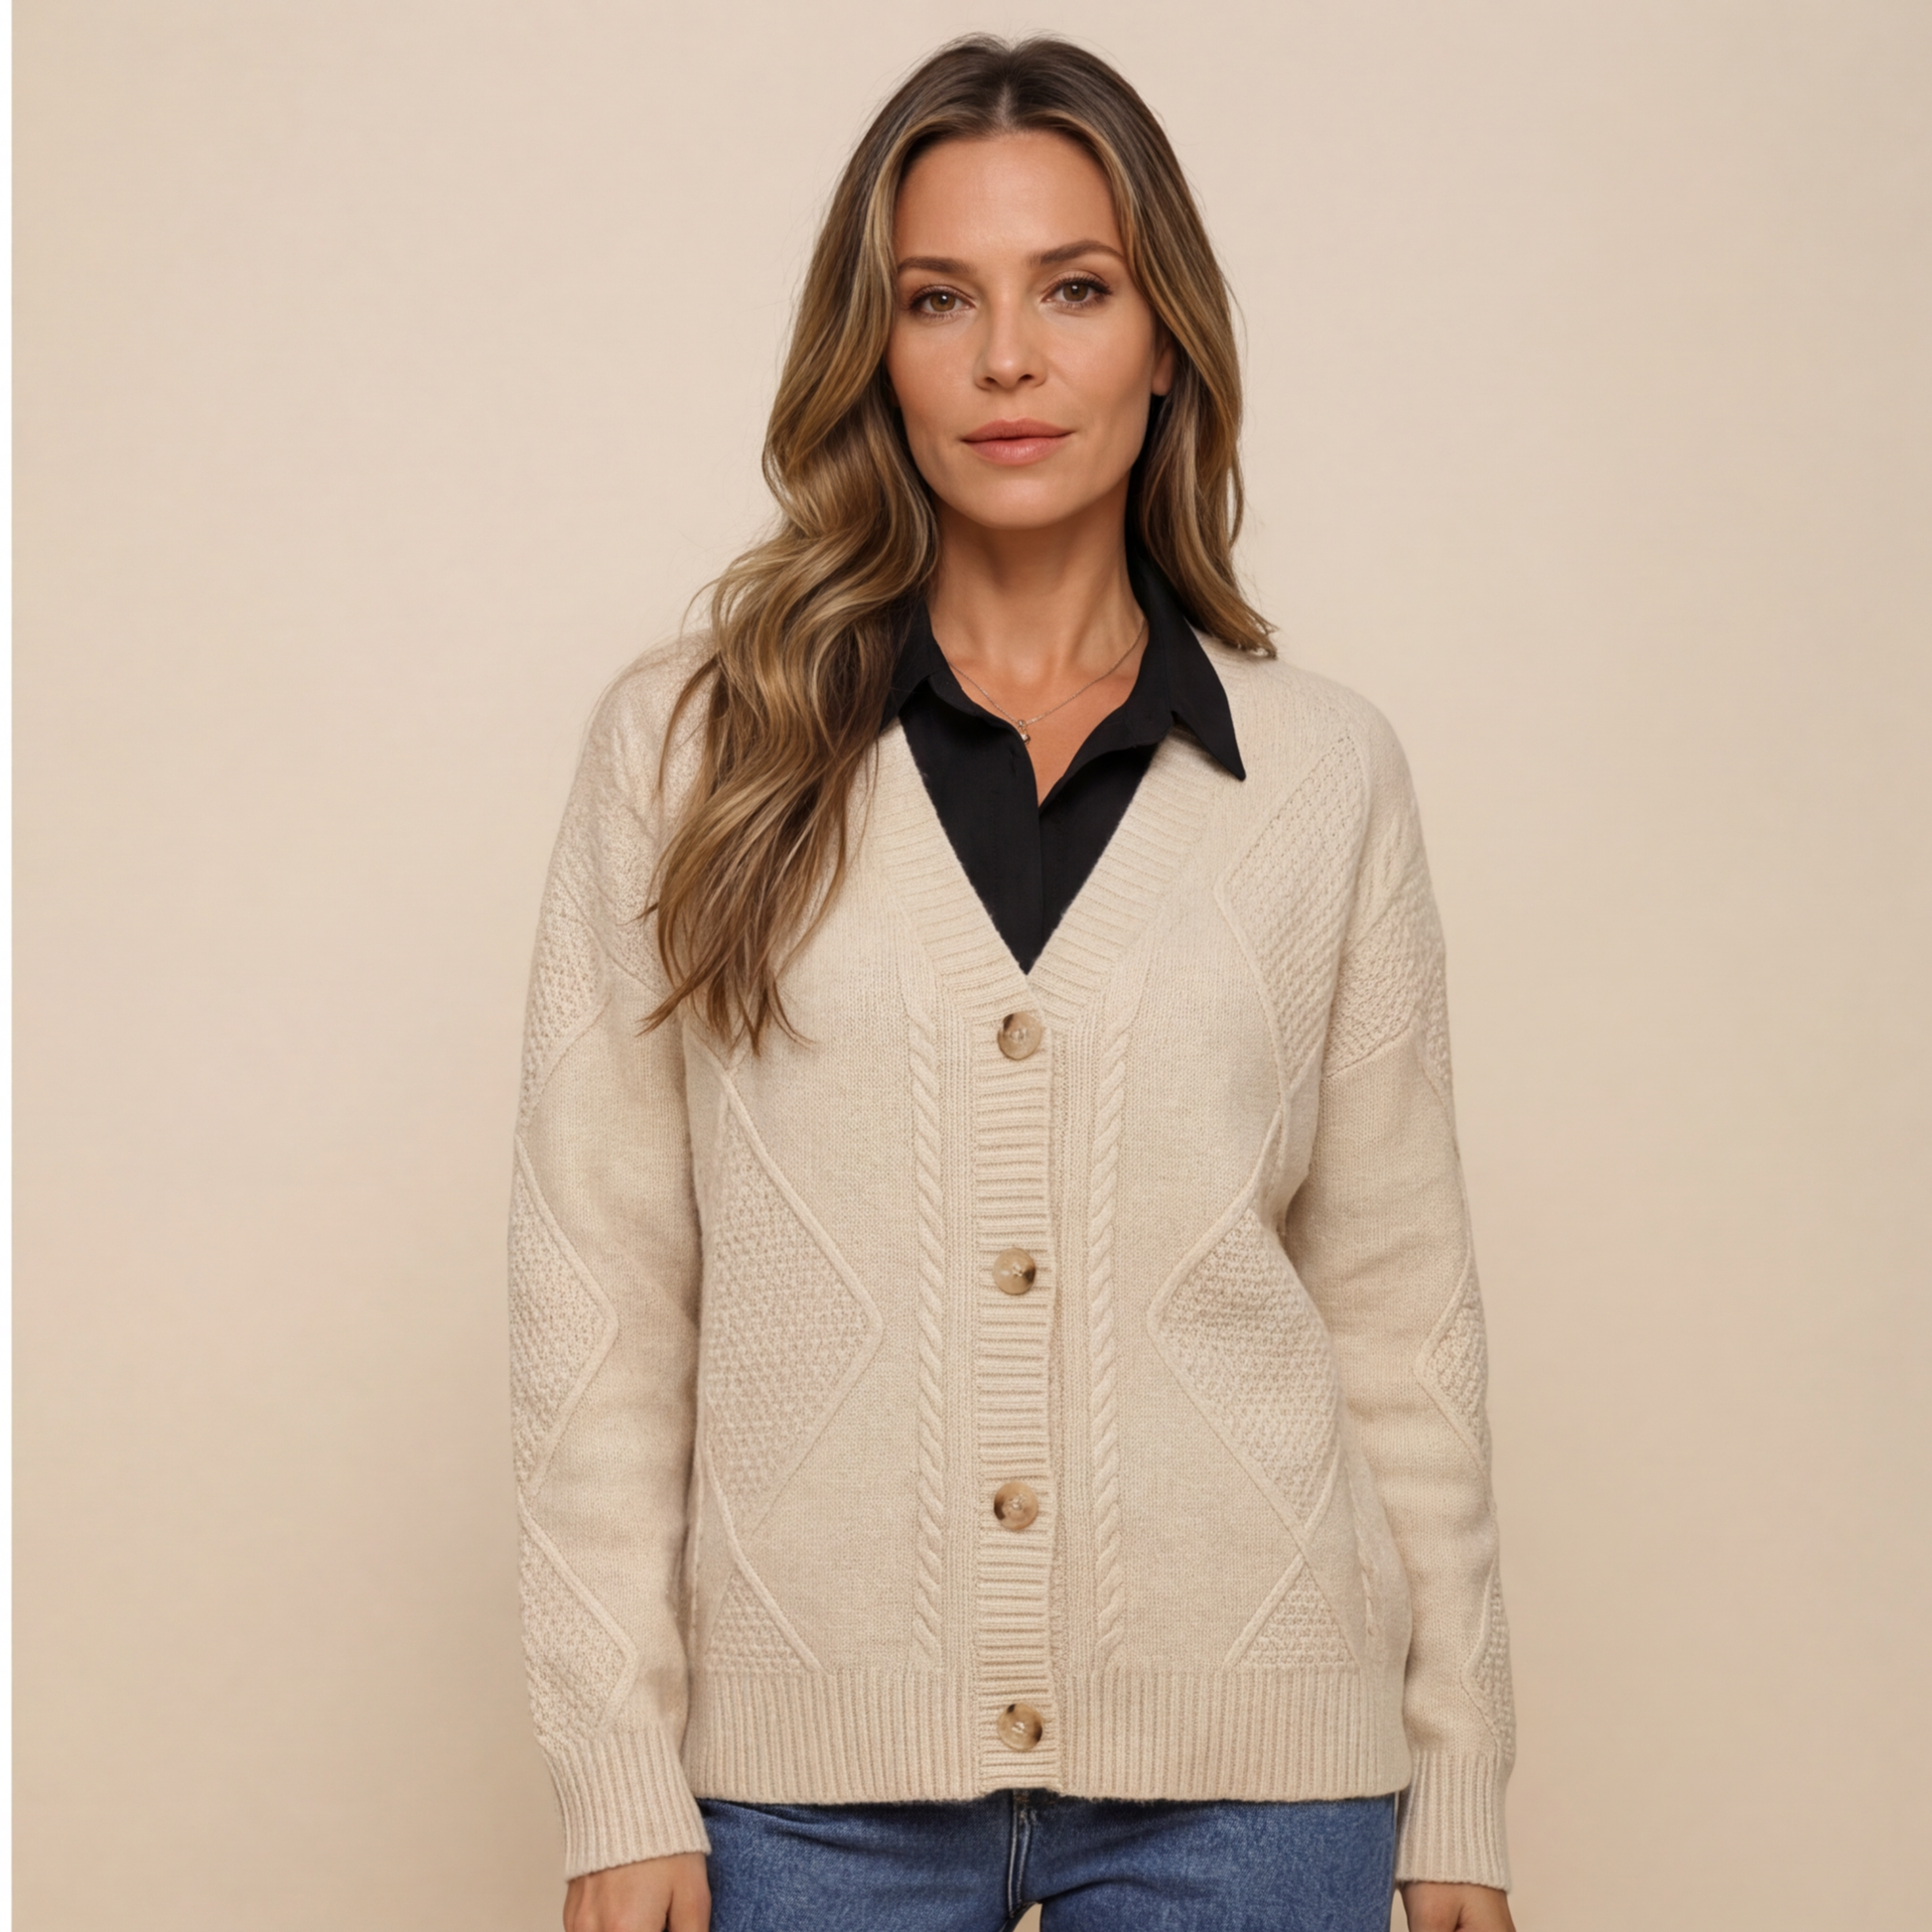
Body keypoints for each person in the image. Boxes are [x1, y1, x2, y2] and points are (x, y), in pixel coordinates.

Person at [509, 34, 1516, 1932]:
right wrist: (614, 1769)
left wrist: (1455, 1779)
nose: (1006, 360)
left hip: (1260, 1784)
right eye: (937, 299)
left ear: (1166, 340)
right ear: (872, 352)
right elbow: (598, 1300)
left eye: (1073, 288)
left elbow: (1403, 1316)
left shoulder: (1324, 774)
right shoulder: (690, 749)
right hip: (802, 1796)